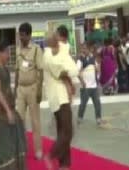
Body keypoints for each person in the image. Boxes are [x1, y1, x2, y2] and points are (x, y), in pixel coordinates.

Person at [43, 32, 79, 170]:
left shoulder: (58, 53)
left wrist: (70, 82)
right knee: (68, 131)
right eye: (56, 39)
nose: (59, 41)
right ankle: (51, 155)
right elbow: (63, 72)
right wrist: (71, 76)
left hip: (61, 95)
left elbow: (68, 69)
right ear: (52, 41)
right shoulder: (47, 57)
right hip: (59, 98)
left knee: (62, 130)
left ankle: (64, 164)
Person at [0, 41, 27, 170]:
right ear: (0, 53)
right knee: (5, 144)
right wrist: (7, 110)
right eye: (6, 53)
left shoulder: (4, 68)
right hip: (1, 112)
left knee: (18, 135)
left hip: (9, 108)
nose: (8, 55)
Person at [15, 22, 43, 160]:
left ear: (29, 35)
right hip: (21, 89)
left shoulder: (37, 49)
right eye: (19, 35)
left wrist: (39, 91)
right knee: (19, 120)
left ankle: (38, 150)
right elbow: (17, 70)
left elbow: (41, 70)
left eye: (23, 35)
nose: (20, 38)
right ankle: (22, 148)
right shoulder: (18, 50)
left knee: (35, 121)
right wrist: (15, 89)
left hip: (32, 88)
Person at [77, 42, 103, 126]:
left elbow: (98, 70)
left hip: (94, 86)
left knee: (97, 103)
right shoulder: (80, 60)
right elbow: (78, 72)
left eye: (84, 48)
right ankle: (79, 118)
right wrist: (82, 82)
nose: (83, 50)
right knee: (83, 104)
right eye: (82, 49)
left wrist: (98, 68)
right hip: (85, 86)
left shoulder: (93, 58)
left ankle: (98, 118)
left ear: (89, 49)